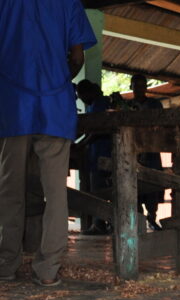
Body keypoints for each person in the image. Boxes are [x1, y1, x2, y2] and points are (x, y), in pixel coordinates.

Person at [0, 0, 96, 285]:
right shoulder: (68, 3)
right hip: (54, 103)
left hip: (12, 103)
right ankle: (48, 269)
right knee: (55, 193)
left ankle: (6, 265)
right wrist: (54, 79)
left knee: (9, 188)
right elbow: (78, 58)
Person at [76, 79, 113, 235]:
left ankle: (100, 223)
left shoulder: (100, 103)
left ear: (88, 92)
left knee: (100, 190)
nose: (81, 99)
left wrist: (81, 144)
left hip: (103, 153)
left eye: (81, 95)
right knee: (99, 189)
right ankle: (102, 222)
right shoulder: (93, 105)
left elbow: (98, 130)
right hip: (96, 153)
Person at [130, 74, 164, 231]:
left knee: (153, 185)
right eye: (136, 86)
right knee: (134, 186)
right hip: (133, 151)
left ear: (145, 88)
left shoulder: (155, 105)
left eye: (141, 85)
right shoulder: (127, 106)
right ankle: (139, 219)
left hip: (151, 151)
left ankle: (152, 217)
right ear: (132, 87)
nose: (139, 89)